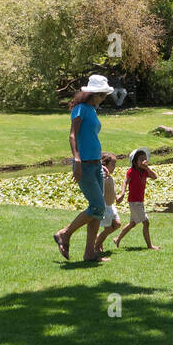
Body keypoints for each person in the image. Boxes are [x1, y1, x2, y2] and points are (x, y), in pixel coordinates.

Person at [54, 74, 114, 263]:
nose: (103, 98)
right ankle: (65, 233)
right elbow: (72, 136)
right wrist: (77, 159)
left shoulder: (91, 110)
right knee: (97, 206)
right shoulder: (80, 109)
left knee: (98, 209)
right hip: (85, 165)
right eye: (102, 95)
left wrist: (101, 164)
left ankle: (90, 253)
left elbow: (91, 138)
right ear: (93, 94)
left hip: (95, 164)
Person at [113, 147, 160, 251]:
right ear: (134, 162)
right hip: (134, 202)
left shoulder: (144, 171)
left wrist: (147, 168)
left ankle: (117, 239)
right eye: (141, 159)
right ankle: (149, 245)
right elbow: (125, 181)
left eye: (145, 158)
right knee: (146, 222)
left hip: (140, 201)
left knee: (132, 223)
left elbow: (155, 177)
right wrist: (122, 193)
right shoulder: (131, 171)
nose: (144, 161)